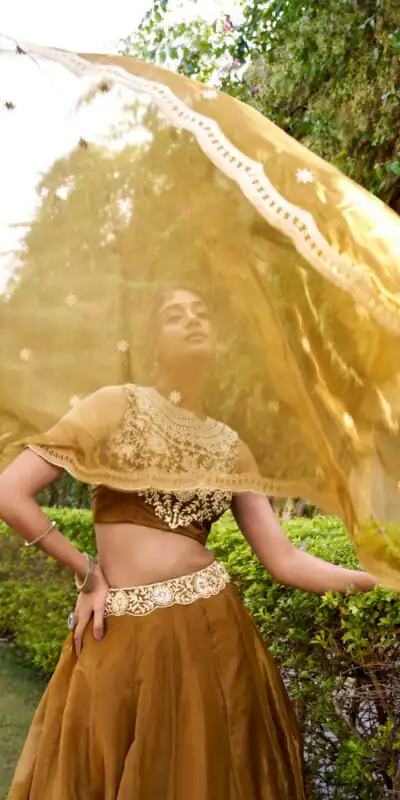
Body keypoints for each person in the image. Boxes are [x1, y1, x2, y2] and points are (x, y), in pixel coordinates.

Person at [0, 287, 377, 800]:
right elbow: (10, 493)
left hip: (212, 633)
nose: (192, 321)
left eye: (202, 314)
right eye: (174, 315)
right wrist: (86, 572)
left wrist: (378, 579)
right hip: (119, 629)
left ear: (218, 342)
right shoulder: (114, 406)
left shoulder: (232, 447)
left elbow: (285, 559)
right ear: (153, 343)